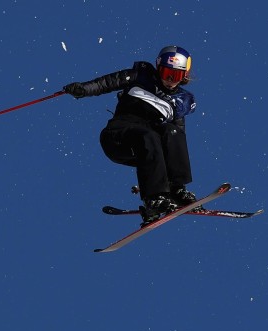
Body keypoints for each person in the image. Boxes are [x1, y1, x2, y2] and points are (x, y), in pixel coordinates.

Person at [64, 46, 197, 224]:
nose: (170, 80)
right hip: (118, 137)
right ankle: (154, 197)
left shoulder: (181, 101)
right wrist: (83, 89)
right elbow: (107, 82)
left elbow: (175, 142)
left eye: (176, 76)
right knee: (148, 136)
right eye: (166, 73)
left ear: (185, 76)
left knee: (171, 132)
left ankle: (176, 190)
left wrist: (165, 176)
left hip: (147, 146)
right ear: (158, 68)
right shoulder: (140, 77)